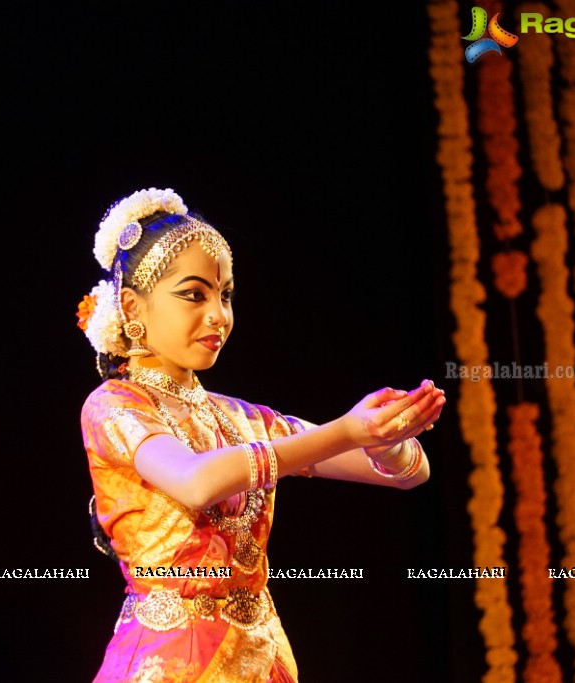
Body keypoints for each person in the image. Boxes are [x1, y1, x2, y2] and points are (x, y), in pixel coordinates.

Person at [76, 188, 446, 682]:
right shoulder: (115, 406)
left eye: (225, 295)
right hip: (170, 664)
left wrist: (384, 440)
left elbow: (411, 473)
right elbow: (196, 481)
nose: (217, 315)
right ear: (132, 307)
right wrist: (346, 430)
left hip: (263, 659)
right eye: (194, 294)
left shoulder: (243, 419)